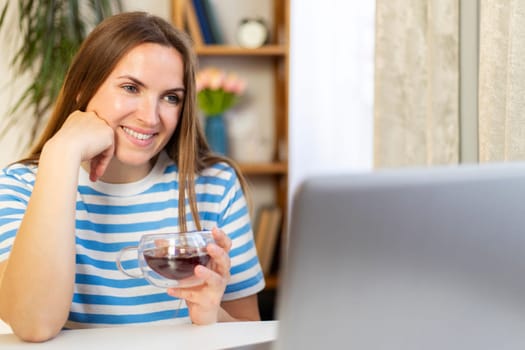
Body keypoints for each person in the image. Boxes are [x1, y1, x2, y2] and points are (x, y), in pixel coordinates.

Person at [0, 11, 265, 342]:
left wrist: (212, 317)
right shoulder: (20, 186)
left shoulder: (215, 186)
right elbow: (33, 324)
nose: (150, 117)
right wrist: (62, 152)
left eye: (171, 97)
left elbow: (253, 336)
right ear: (83, 89)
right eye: (130, 87)